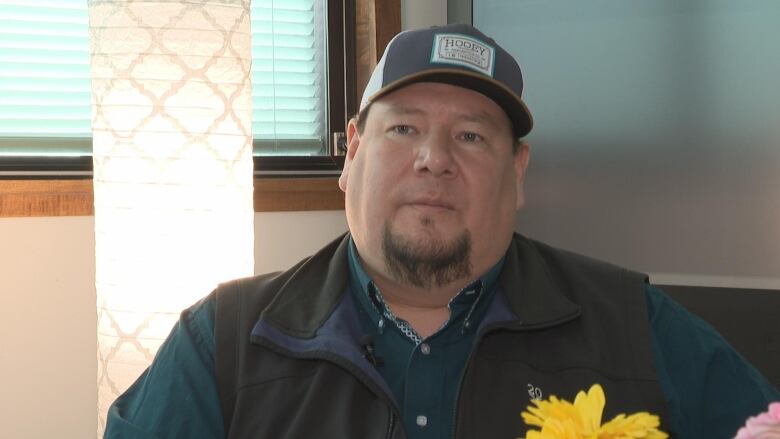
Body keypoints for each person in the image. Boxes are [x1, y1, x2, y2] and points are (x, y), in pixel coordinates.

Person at [104, 23, 779, 438]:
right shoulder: (222, 341)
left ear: (517, 172)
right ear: (352, 153)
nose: (434, 157)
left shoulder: (633, 324)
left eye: (470, 135)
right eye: (403, 128)